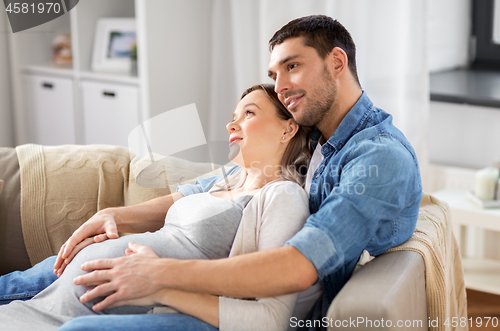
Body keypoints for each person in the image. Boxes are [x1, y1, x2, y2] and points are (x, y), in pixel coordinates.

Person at [1, 15, 422, 330]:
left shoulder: (377, 158)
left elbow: (300, 265)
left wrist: (159, 276)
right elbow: (215, 186)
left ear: (336, 61)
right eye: (275, 75)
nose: (281, 85)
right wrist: (116, 214)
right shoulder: (315, 140)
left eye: (292, 66)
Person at [0, 84, 319, 331]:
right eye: (233, 116)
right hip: (62, 293)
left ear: (288, 128)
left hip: (116, 306)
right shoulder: (226, 178)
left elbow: (270, 314)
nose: (230, 125)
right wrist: (109, 215)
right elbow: (168, 206)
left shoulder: (283, 196)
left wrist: (159, 285)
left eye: (249, 114)